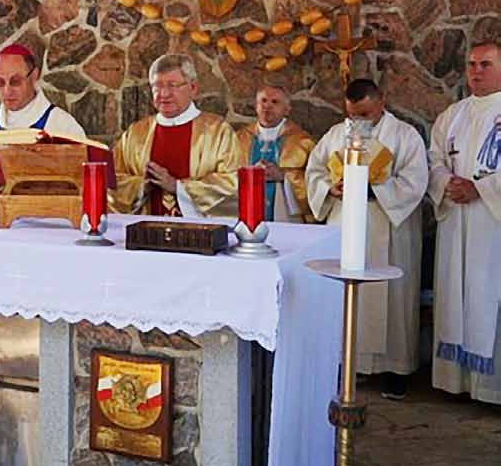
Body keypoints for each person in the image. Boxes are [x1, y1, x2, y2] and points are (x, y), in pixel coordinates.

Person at [306, 79, 427, 399]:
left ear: (381, 101)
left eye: (365, 114)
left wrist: (375, 189)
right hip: (345, 223)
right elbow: (314, 171)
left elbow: (415, 182)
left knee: (392, 297)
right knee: (348, 296)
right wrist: (329, 189)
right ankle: (352, 364)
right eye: (352, 115)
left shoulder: (405, 136)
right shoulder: (336, 134)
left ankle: (395, 370)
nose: (358, 122)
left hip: (388, 225)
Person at [429, 39, 501, 404]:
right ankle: (455, 382)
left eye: (485, 64)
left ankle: (491, 389)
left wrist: (482, 189)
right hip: (456, 220)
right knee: (456, 291)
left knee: (489, 291)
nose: (476, 71)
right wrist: (447, 184)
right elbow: (434, 159)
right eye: (472, 64)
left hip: (493, 226)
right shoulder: (452, 115)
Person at [0, 44, 85, 204]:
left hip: (43, 222)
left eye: (15, 81)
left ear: (34, 76)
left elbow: (78, 178)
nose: (7, 91)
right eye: (0, 83)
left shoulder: (62, 126)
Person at [110, 54, 238, 217]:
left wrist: (178, 187)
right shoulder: (136, 133)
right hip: (146, 233)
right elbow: (114, 180)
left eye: (172, 85)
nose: (164, 94)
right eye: (157, 86)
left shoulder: (217, 131)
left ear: (193, 88)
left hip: (199, 236)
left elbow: (233, 184)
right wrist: (140, 187)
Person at [233, 85, 315, 222]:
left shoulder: (303, 142)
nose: (267, 106)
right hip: (245, 209)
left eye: (275, 102)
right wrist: (250, 174)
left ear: (287, 109)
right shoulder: (239, 139)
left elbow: (314, 180)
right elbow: (226, 174)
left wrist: (284, 177)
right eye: (263, 101)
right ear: (256, 106)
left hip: (285, 213)